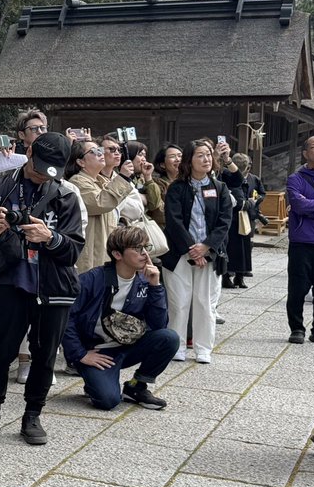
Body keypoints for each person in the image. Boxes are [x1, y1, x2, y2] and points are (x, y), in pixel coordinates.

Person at [0, 132, 84, 445]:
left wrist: (50, 238)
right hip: (8, 283)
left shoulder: (66, 196)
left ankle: (33, 415)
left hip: (52, 287)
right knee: (0, 351)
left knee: (44, 356)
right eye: (39, 165)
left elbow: (73, 250)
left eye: (51, 170)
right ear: (28, 152)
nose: (42, 173)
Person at [62, 226, 178, 410]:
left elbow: (158, 326)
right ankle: (93, 382)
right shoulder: (91, 280)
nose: (144, 254)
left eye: (146, 247)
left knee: (169, 338)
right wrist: (80, 355)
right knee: (108, 401)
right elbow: (66, 318)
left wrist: (155, 287)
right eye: (138, 249)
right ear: (117, 254)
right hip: (98, 352)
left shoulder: (145, 280)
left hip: (128, 345)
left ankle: (136, 387)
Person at [161, 139, 232, 364]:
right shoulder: (177, 187)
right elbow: (174, 221)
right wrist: (192, 249)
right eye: (200, 155)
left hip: (209, 254)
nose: (206, 159)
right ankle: (177, 345)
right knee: (179, 302)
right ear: (189, 160)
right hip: (180, 253)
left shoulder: (219, 188)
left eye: (209, 155)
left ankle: (203, 348)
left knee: (205, 303)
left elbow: (224, 221)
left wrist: (205, 247)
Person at [66, 139, 134, 273]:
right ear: (81, 162)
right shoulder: (77, 181)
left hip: (105, 249)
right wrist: (124, 177)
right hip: (91, 252)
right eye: (95, 151)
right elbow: (100, 203)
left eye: (101, 150)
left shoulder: (101, 181)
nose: (100, 153)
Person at [285, 135, 314, 344]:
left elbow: (306, 207)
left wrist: (311, 207)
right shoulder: (295, 179)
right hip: (301, 242)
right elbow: (298, 206)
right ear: (305, 153)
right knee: (297, 288)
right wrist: (307, 208)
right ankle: (296, 328)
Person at [224, 153, 265, 289]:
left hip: (246, 217)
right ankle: (227, 275)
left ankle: (240, 276)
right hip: (233, 219)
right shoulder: (228, 177)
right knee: (232, 248)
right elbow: (239, 202)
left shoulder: (254, 179)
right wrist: (249, 203)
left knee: (245, 248)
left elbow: (261, 193)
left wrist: (255, 201)